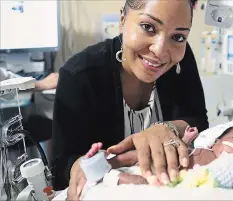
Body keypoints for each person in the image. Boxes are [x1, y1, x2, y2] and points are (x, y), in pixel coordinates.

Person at [51, 0, 208, 200]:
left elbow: (198, 120)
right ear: (123, 19)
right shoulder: (79, 75)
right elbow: (61, 166)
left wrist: (167, 128)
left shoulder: (181, 62)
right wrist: (82, 166)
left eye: (178, 37)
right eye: (148, 27)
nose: (160, 51)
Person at [83, 125, 233, 194]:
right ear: (216, 141)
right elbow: (182, 150)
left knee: (145, 181)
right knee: (140, 155)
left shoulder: (229, 168)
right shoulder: (203, 149)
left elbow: (230, 185)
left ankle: (106, 175)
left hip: (174, 181)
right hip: (167, 163)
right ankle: (108, 162)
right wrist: (186, 139)